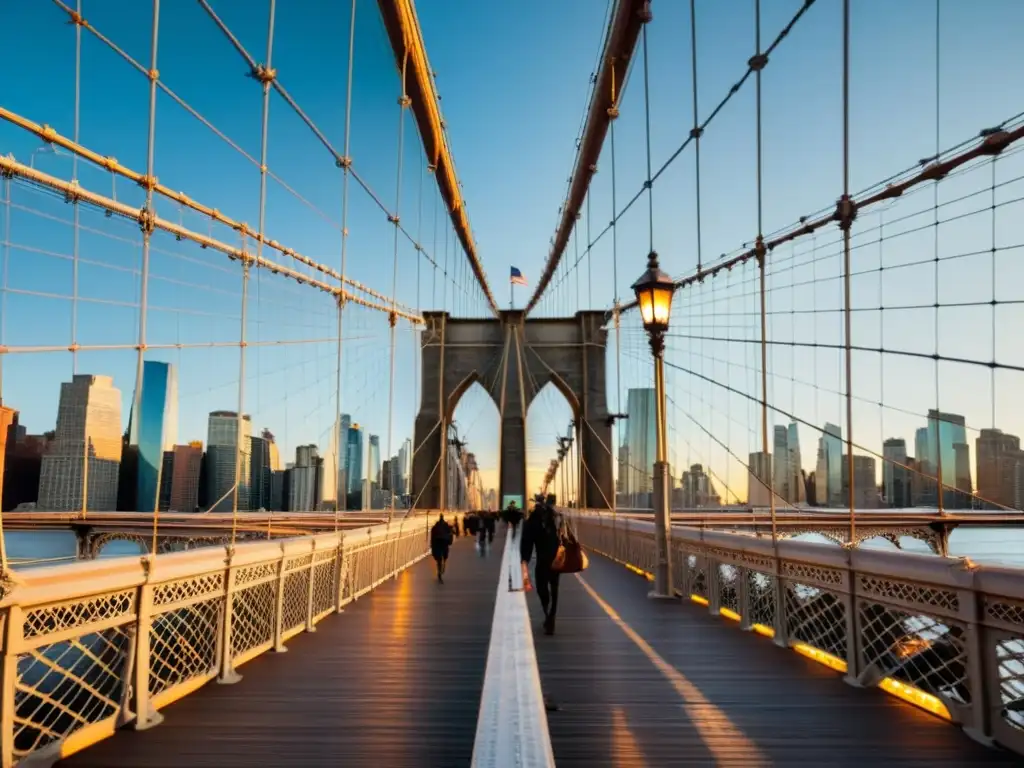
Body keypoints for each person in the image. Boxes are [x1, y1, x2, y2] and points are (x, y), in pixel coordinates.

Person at [521, 494, 563, 635]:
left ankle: (547, 613)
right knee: (555, 587)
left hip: (542, 560)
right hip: (557, 559)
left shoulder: (534, 518)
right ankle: (551, 616)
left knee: (541, 588)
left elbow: (527, 539)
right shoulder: (557, 517)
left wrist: (524, 558)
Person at [430, 513, 453, 583]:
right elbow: (450, 534)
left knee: (439, 559)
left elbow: (432, 537)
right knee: (444, 556)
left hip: (437, 544)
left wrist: (432, 545)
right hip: (444, 544)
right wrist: (449, 542)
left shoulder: (435, 527)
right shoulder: (446, 526)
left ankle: (439, 572)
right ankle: (442, 567)